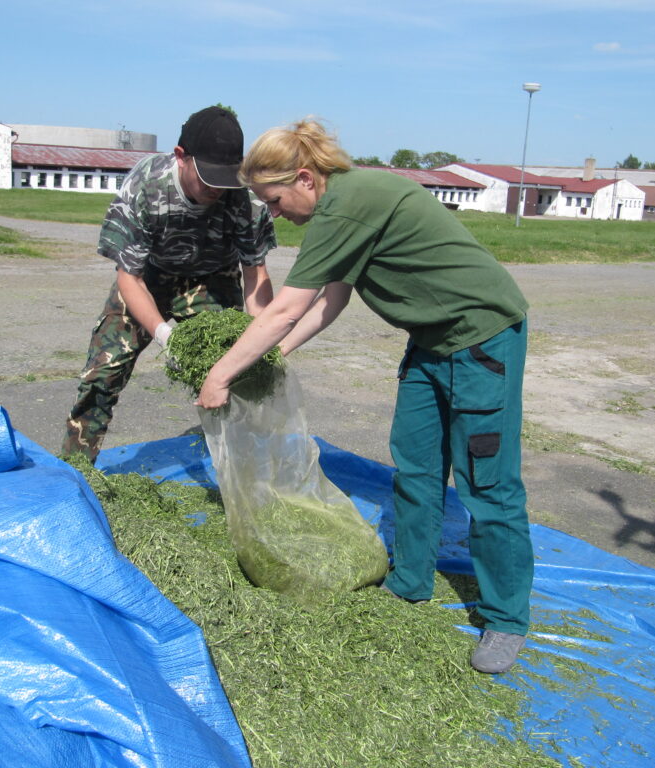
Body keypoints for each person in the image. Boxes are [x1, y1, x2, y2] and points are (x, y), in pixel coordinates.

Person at [195, 119, 534, 674]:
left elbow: (283, 309)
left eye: (274, 199)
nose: (273, 213)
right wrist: (277, 355)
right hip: (431, 341)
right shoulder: (345, 203)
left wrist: (221, 376)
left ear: (305, 178)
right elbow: (332, 300)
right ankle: (409, 584)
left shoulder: (348, 205)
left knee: (487, 484)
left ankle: (505, 619)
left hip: (482, 339)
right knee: (417, 465)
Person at [62, 106, 277, 460]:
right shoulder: (145, 186)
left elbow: (255, 274)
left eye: (227, 179)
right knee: (103, 373)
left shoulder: (245, 199)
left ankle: (237, 467)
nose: (217, 189)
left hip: (213, 279)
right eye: (208, 177)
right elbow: (128, 278)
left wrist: (259, 335)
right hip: (149, 278)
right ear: (181, 156)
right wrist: (165, 336)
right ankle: (77, 467)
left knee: (230, 371)